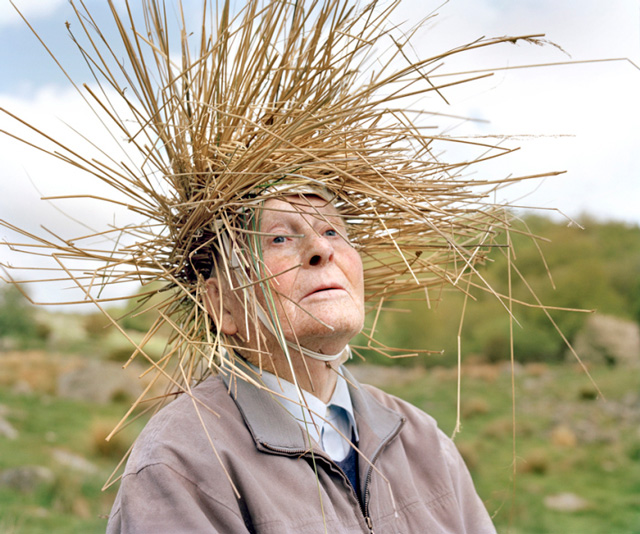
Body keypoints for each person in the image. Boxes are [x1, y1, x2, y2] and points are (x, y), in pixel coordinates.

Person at [106, 192, 496, 533]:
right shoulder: (180, 462)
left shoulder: (422, 439)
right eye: (279, 237)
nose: (321, 248)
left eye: (332, 231)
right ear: (221, 304)